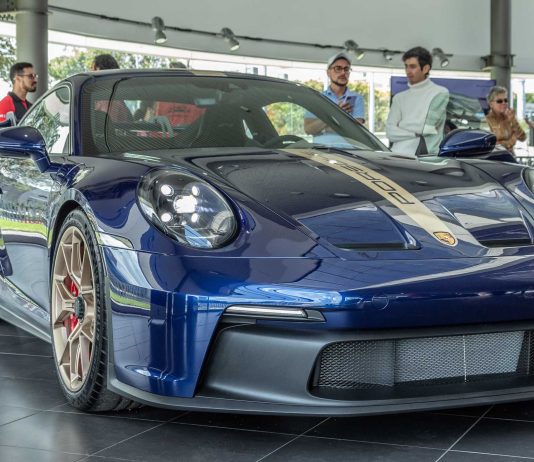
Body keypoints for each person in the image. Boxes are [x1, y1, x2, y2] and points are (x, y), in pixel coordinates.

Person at [386, 46, 449, 156]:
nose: (408, 71)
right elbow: (390, 132)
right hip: (396, 157)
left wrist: (401, 127)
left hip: (425, 158)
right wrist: (415, 133)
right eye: (406, 66)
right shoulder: (399, 97)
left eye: (413, 66)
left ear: (426, 68)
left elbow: (427, 128)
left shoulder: (440, 93)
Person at [304, 52, 365, 138]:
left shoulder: (357, 98)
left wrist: (324, 126)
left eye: (346, 69)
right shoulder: (317, 98)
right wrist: (336, 112)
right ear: (328, 72)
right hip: (321, 146)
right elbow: (309, 130)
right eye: (338, 68)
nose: (343, 72)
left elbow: (357, 131)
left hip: (350, 146)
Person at [484, 86, 526, 155]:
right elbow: (489, 144)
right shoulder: (486, 120)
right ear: (491, 104)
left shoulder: (509, 117)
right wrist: (511, 141)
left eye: (505, 100)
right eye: (499, 101)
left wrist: (513, 120)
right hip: (495, 158)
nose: (504, 103)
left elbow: (523, 138)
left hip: (511, 157)